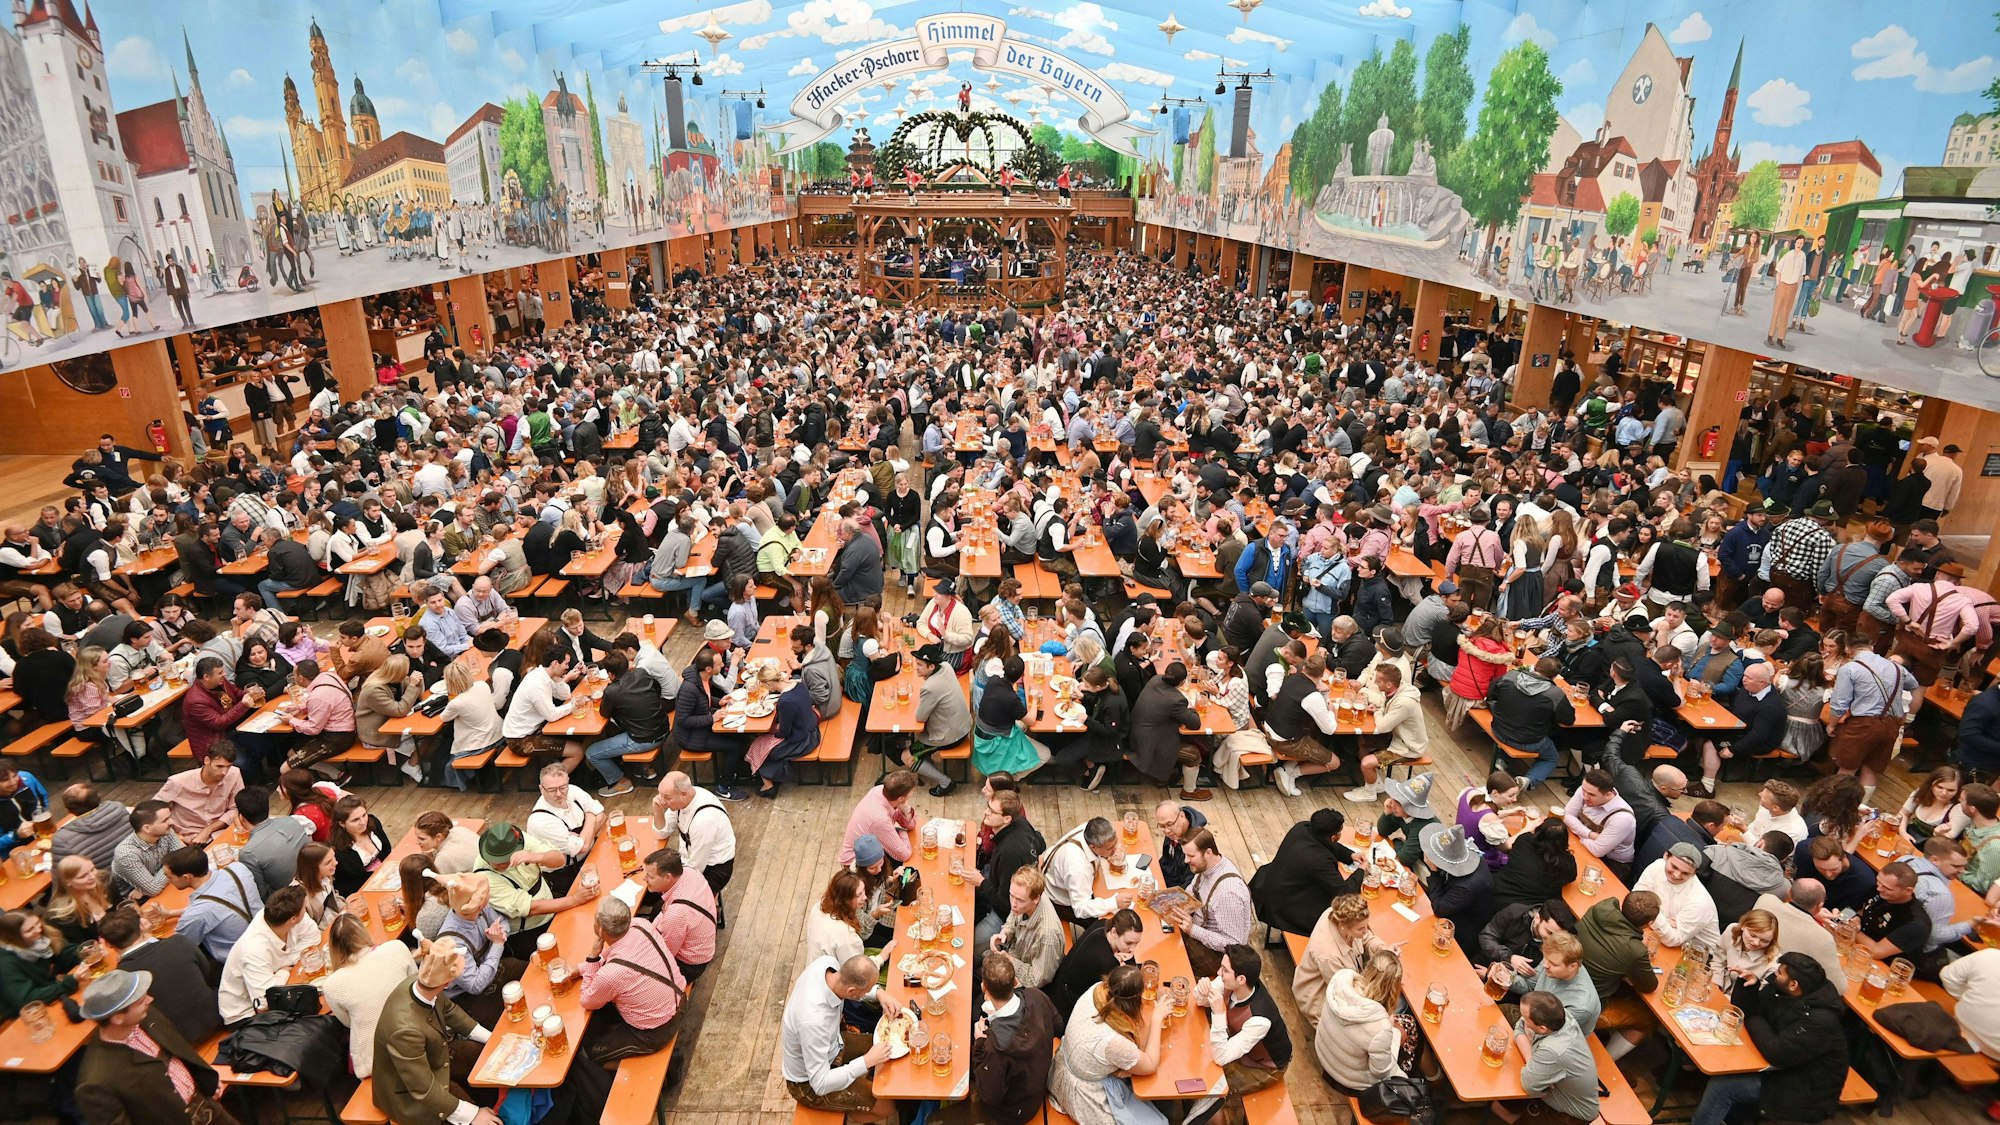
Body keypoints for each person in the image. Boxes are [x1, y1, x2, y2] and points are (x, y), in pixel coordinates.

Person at [1686, 954, 1847, 1125]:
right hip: (1780, 1068)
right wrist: (1749, 986)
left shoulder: (1820, 1020)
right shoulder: (1781, 990)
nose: (1775, 974)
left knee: (1722, 1087)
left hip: (1805, 1089)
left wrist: (1752, 1017)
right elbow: (1748, 1010)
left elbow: (1777, 1052)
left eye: (1780, 973)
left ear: (1793, 985)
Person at [74, 969, 239, 1125]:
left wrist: (205, 1076)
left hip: (208, 1108)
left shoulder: (144, 1015)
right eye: (140, 1001)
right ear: (117, 1018)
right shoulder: (95, 1082)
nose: (149, 999)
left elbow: (177, 1046)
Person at [571, 898, 686, 1120]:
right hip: (679, 999)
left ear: (601, 929)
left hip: (655, 1031)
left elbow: (587, 999)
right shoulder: (640, 926)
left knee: (591, 1054)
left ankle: (661, 1070)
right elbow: (611, 957)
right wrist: (579, 969)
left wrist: (592, 958)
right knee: (604, 1018)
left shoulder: (610, 976)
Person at [372, 937, 502, 1125]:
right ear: (448, 983)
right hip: (409, 1096)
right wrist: (473, 1114)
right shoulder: (405, 1032)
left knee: (488, 1059)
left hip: (433, 1059)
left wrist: (493, 1039)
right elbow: (423, 1088)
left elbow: (449, 1010)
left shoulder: (421, 983)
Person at [780, 953, 897, 1123]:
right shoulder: (814, 1021)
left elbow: (853, 983)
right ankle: (846, 1118)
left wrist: (879, 993)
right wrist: (866, 1061)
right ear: (852, 991)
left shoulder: (827, 965)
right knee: (887, 1106)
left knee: (888, 1048)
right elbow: (820, 1084)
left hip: (833, 1045)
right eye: (866, 991)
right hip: (807, 1084)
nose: (867, 992)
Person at [1047, 963, 1167, 1125]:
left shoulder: (1097, 990)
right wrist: (1157, 1017)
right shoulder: (1114, 1042)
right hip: (1083, 1093)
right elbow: (1150, 1065)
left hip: (1065, 1064)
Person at [1188, 945, 1290, 1125]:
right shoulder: (1232, 981)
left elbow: (1220, 1057)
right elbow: (1199, 1000)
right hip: (1238, 1040)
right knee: (1196, 1060)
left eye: (1224, 970)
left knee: (1209, 1086)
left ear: (1241, 979)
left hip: (1264, 1066)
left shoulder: (1260, 1019)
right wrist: (1202, 988)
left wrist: (1219, 1014)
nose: (1218, 973)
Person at [97, 903, 223, 1045]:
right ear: (142, 926)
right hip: (218, 1017)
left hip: (179, 1042)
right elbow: (206, 973)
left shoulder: (121, 978)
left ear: (107, 944)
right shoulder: (178, 942)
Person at [970, 955, 1059, 1125]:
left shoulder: (995, 1047)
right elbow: (1058, 1024)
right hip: (1036, 1083)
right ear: (1015, 982)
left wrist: (979, 1044)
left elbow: (988, 1096)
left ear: (984, 988)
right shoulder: (1036, 996)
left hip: (1012, 1113)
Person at [1579, 892, 1662, 1061]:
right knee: (1648, 1018)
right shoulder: (1634, 950)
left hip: (1562, 978)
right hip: (1589, 1005)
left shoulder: (1602, 907)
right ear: (1649, 924)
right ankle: (1604, 1065)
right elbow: (1649, 987)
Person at [1249, 808, 1357, 937]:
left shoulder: (1302, 828)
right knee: (1337, 914)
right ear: (1334, 836)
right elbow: (1343, 892)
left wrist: (1351, 855)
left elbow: (1326, 842)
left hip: (1269, 885)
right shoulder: (1321, 860)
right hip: (1283, 906)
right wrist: (1362, 870)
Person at [1313, 949, 1404, 1096]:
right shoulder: (1380, 1028)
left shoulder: (1340, 981)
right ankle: (1430, 1083)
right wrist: (1393, 1034)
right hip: (1351, 1081)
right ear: (1394, 987)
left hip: (1325, 1054)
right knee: (1409, 1034)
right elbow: (1380, 1072)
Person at [653, 770, 738, 928]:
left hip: (714, 869)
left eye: (667, 798)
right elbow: (662, 832)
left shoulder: (704, 820)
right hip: (689, 861)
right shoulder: (682, 801)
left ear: (683, 794)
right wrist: (658, 810)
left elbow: (696, 869)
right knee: (653, 882)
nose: (663, 802)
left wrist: (669, 887)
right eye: (661, 796)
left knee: (660, 910)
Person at [217, 884, 310, 1026]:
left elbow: (313, 936)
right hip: (245, 1014)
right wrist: (283, 972)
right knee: (310, 1019)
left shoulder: (283, 918)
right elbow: (264, 1002)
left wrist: (286, 963)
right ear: (293, 919)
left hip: (276, 989)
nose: (306, 909)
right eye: (304, 907)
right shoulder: (254, 948)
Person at [1503, 991, 1599, 1125]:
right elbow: (1519, 1028)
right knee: (1499, 1102)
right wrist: (1531, 1061)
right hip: (1551, 1092)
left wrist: (1536, 1073)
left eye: (1524, 1016)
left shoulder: (1553, 1050)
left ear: (1542, 1029)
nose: (1522, 1018)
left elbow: (1528, 1085)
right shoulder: (1559, 1017)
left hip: (1569, 1114)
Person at [1166, 829, 1252, 977]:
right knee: (1162, 933)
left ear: (1208, 852)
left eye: (1191, 856)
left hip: (1217, 956)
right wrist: (1175, 903)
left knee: (1170, 958)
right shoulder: (1206, 866)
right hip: (1197, 931)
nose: (1186, 860)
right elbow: (1192, 889)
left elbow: (1234, 945)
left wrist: (1193, 930)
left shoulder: (1228, 893)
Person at [1488, 657, 1576, 788]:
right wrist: (1567, 701)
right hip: (1527, 741)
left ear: (1535, 667)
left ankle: (1502, 759)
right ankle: (1529, 780)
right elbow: (1568, 720)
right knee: (1551, 758)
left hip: (1498, 729)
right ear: (1555, 676)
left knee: (1517, 720)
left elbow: (1491, 692)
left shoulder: (1511, 676)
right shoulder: (1555, 694)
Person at [164, 844, 257, 964]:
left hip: (242, 961)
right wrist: (171, 913)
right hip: (269, 935)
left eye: (170, 877)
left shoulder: (195, 915)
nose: (169, 881)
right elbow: (219, 905)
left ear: (186, 877)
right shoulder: (238, 869)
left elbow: (179, 948)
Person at [1044, 909, 1144, 1017]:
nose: (1133, 949)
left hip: (1060, 985)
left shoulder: (1103, 924)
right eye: (1128, 943)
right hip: (1068, 1007)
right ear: (1114, 932)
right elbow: (1128, 989)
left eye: (1136, 943)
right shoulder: (1106, 962)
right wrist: (1126, 963)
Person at [640, 847, 718, 982]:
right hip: (703, 935)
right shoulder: (690, 872)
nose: (644, 879)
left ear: (668, 877)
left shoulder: (676, 915)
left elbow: (665, 954)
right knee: (657, 908)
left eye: (650, 877)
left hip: (690, 964)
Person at [524, 763, 603, 896]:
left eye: (562, 787)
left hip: (592, 852)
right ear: (541, 789)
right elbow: (582, 848)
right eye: (552, 790)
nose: (559, 794)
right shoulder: (540, 821)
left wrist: (583, 836)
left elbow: (602, 815)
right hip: (566, 874)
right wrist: (590, 816)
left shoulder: (572, 790)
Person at [1422, 822, 1496, 956]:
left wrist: (1433, 871)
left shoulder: (1467, 886)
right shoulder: (1464, 855)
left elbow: (1439, 908)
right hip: (1453, 905)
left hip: (1459, 932)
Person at [1634, 842, 1721, 951]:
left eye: (1685, 873)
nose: (1676, 875)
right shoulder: (1657, 865)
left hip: (1697, 955)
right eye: (1674, 867)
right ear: (1666, 856)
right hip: (1661, 938)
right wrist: (1664, 920)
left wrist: (1650, 913)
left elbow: (1673, 940)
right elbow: (1635, 900)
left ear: (1694, 873)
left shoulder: (1700, 901)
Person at [235, 784, 309, 899]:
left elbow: (261, 895)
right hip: (312, 880)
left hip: (289, 901)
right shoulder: (290, 820)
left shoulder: (248, 853)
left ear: (241, 817)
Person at [1855, 860, 1933, 961]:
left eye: (1887, 888)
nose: (1879, 889)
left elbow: (1876, 952)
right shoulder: (1882, 889)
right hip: (1858, 946)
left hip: (1883, 966)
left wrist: (1853, 929)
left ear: (1908, 891)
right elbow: (1862, 910)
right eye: (1878, 881)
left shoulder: (1916, 924)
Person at [838, 770, 920, 866]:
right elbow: (905, 855)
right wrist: (902, 832)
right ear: (900, 798)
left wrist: (907, 809)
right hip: (858, 864)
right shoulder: (880, 819)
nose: (912, 793)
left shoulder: (882, 791)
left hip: (873, 847)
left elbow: (911, 825)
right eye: (911, 791)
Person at [109, 799, 183, 900]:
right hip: (139, 902)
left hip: (168, 885)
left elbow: (183, 856)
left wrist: (175, 866)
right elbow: (154, 889)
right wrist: (175, 866)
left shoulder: (165, 831)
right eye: (165, 820)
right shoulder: (127, 854)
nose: (172, 822)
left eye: (169, 817)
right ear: (147, 828)